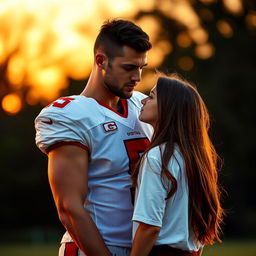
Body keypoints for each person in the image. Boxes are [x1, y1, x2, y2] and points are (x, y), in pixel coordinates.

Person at [35, 19, 152, 256]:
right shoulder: (71, 114)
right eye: (129, 67)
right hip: (94, 248)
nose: (137, 77)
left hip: (141, 248)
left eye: (142, 68)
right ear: (101, 61)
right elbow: (69, 207)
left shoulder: (145, 105)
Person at [130, 74, 224, 256]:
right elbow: (199, 231)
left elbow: (149, 227)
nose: (143, 102)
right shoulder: (196, 159)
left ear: (168, 107)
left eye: (151, 96)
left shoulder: (158, 156)